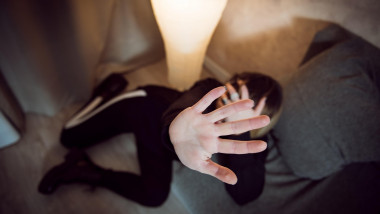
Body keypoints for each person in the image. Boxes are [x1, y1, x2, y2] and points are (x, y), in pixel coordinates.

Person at [38, 71, 283, 206]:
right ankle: (104, 93)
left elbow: (245, 196)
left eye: (246, 106)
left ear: (263, 119)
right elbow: (178, 110)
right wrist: (175, 127)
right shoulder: (210, 87)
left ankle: (83, 170)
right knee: (68, 137)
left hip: (159, 143)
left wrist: (238, 128)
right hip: (145, 108)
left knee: (154, 196)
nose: (234, 105)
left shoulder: (254, 142)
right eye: (236, 91)